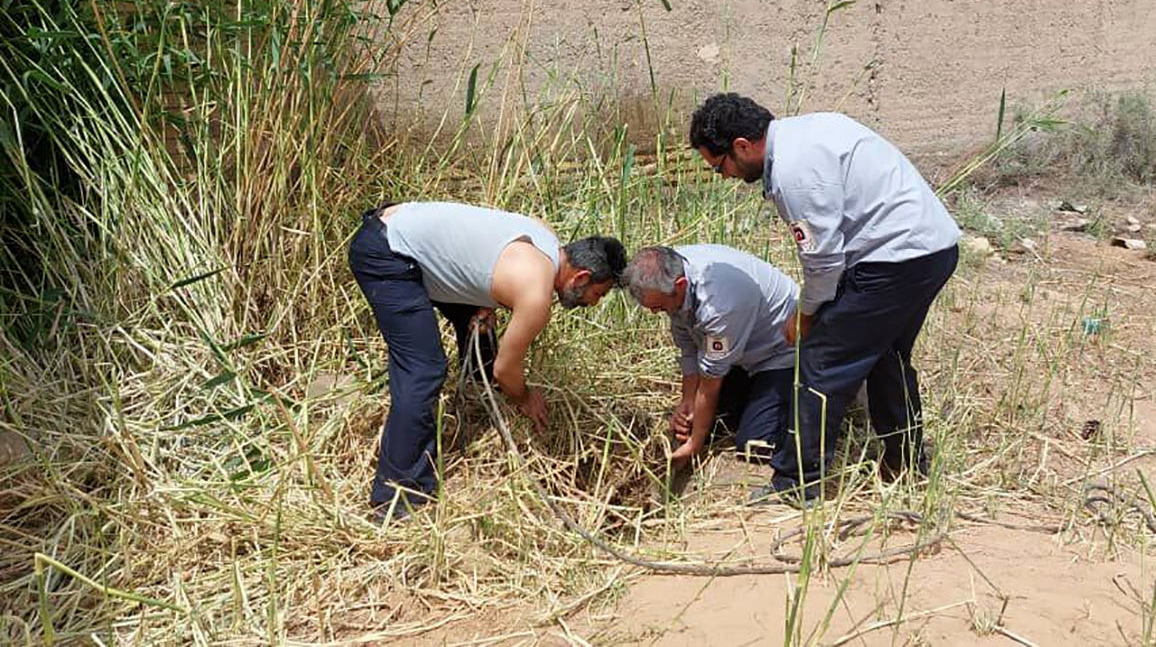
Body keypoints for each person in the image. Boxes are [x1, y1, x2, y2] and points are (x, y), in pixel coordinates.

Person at [689, 93, 961, 504]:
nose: (723, 175)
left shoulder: (794, 173)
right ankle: (905, 465)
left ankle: (797, 482)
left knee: (820, 362)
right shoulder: (806, 133)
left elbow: (823, 261)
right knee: (885, 355)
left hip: (894, 259)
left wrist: (806, 314)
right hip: (929, 250)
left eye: (719, 165)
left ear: (742, 146)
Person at [348, 201, 626, 519]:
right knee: (423, 369)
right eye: (598, 294)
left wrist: (485, 296)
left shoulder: (545, 238)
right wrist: (524, 397)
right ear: (580, 278)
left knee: (480, 327)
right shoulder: (536, 295)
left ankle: (477, 405)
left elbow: (485, 253)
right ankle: (397, 498)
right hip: (388, 254)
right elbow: (506, 370)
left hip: (397, 227)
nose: (593, 303)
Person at [623, 245, 798, 467]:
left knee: (755, 445)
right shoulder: (671, 268)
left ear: (680, 286)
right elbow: (688, 347)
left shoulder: (719, 307)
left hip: (779, 350)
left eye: (659, 307)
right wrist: (687, 401)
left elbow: (710, 383)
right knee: (712, 421)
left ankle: (800, 397)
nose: (656, 313)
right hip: (739, 350)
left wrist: (695, 445)